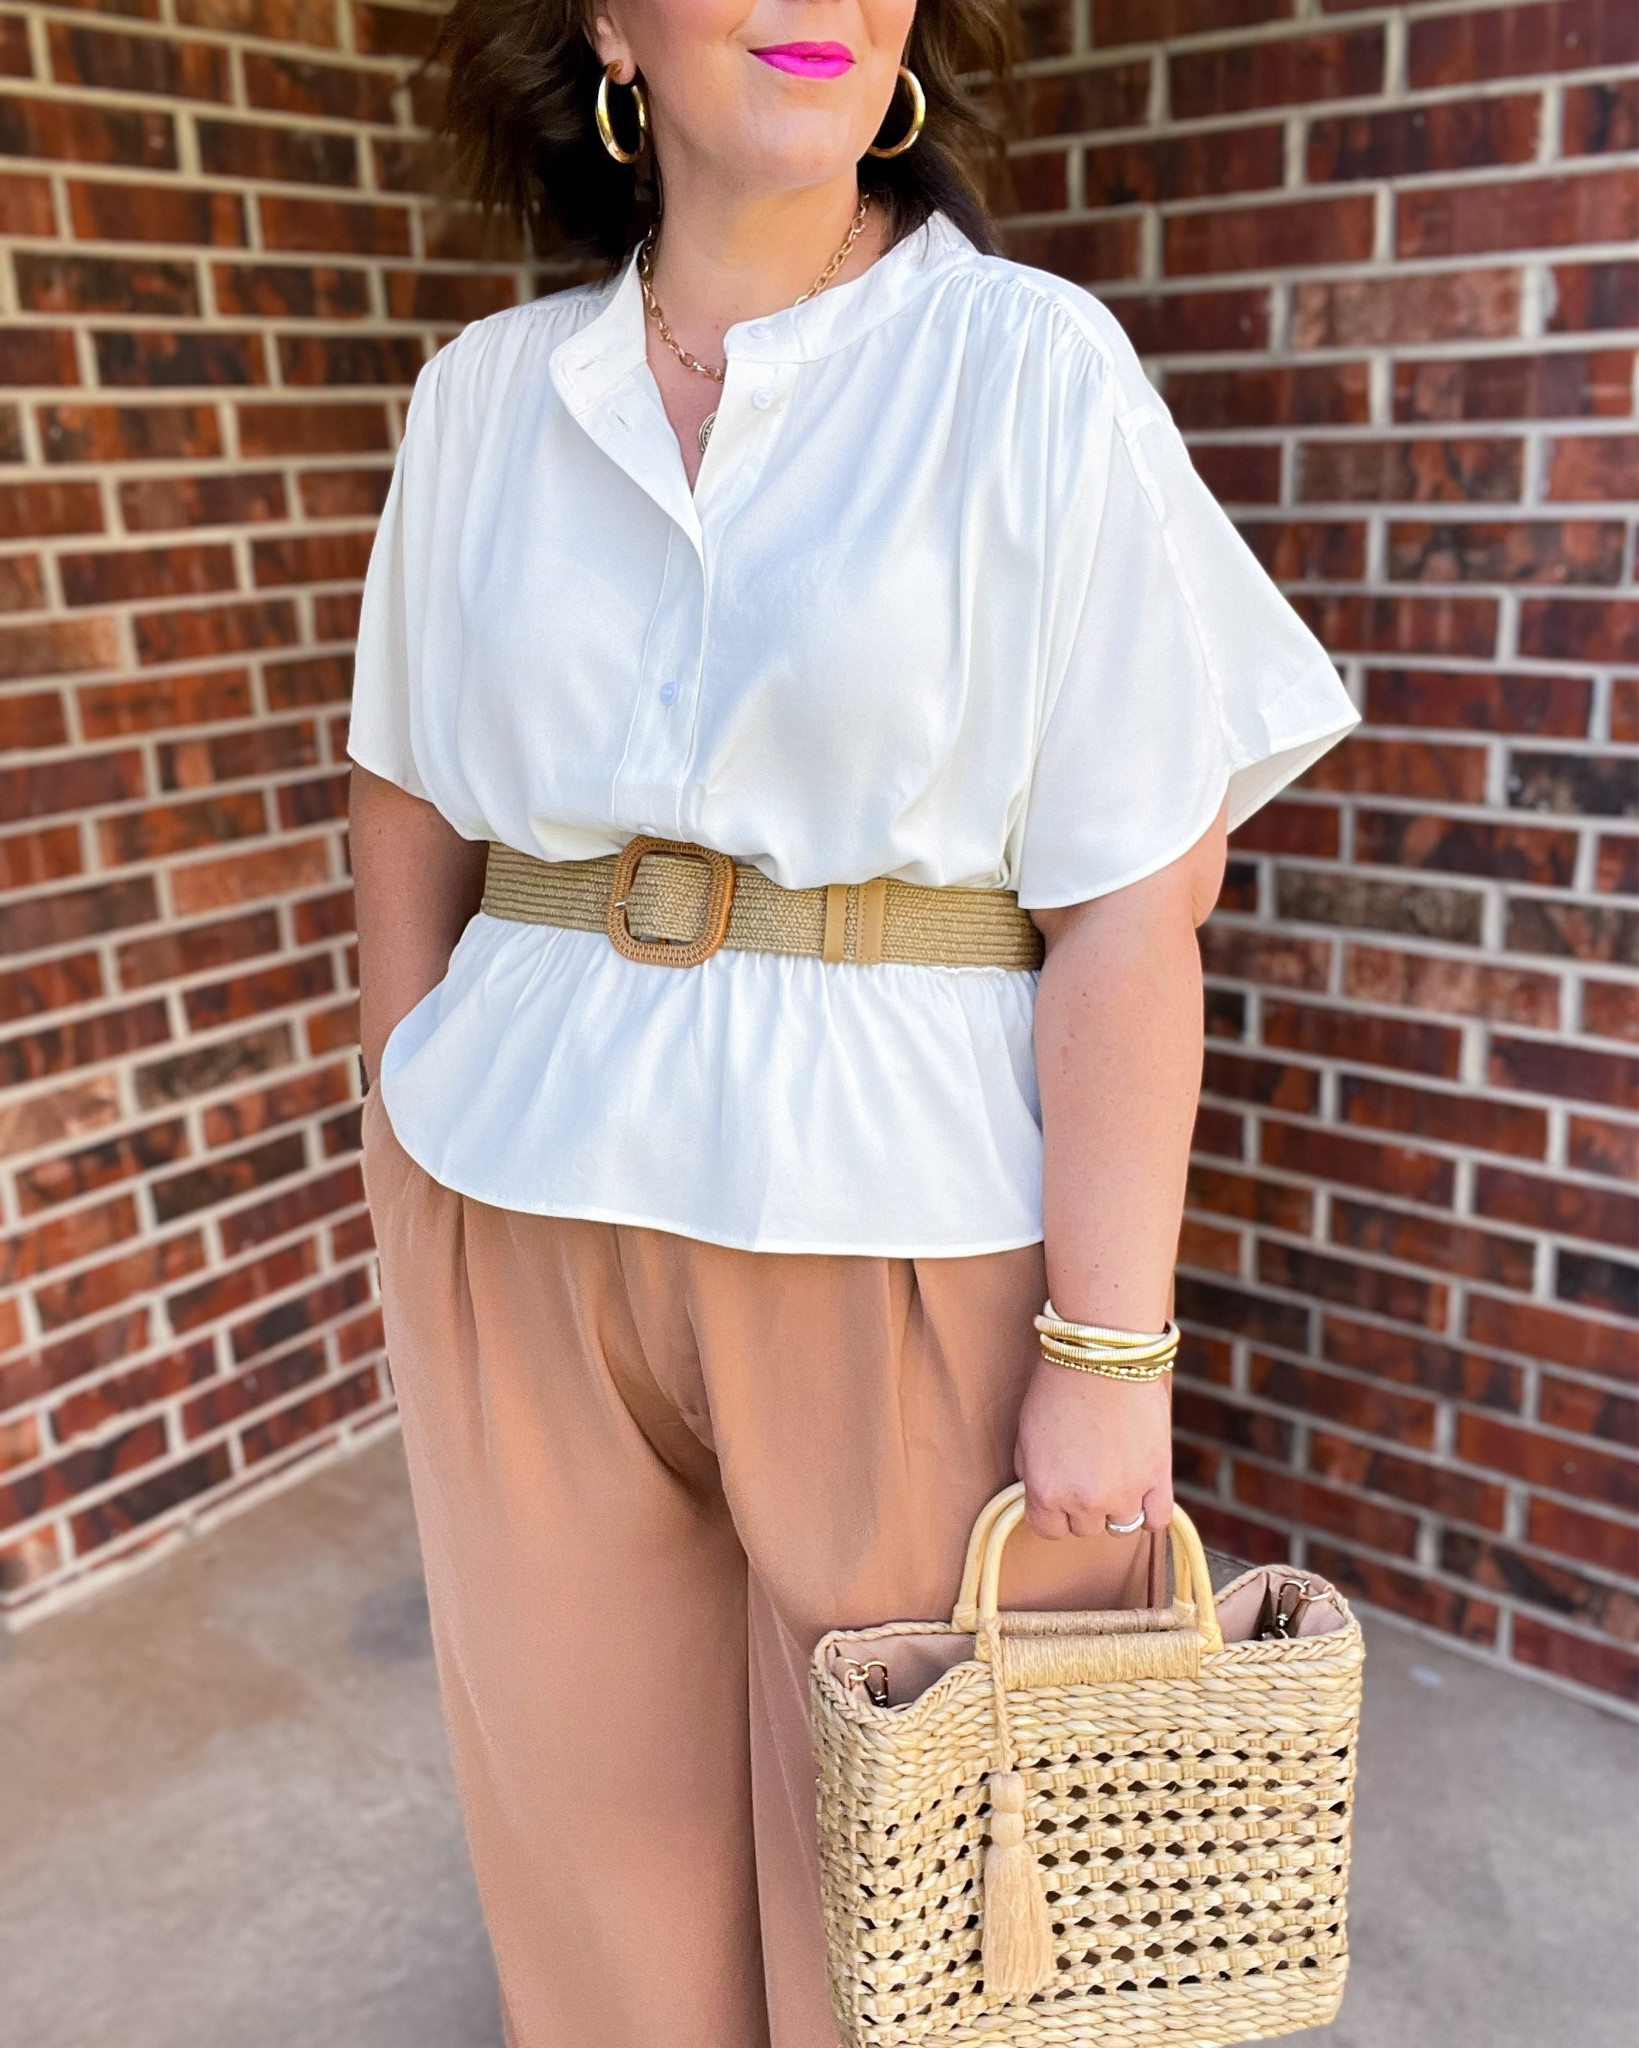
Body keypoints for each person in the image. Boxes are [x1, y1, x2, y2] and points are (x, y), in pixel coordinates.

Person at [346, 1, 1360, 2041]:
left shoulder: (1026, 367)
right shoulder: (481, 399)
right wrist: (400, 1137)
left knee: (927, 1907)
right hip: (519, 1215)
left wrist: (1107, 1345)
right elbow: (402, 788)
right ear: (611, 23)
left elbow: (1138, 901)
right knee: (585, 1842)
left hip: (904, 1220)